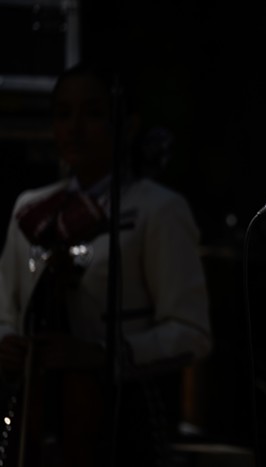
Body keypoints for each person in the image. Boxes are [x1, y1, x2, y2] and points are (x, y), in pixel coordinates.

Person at [0, 61, 212, 466]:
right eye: (63, 114)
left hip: (120, 422)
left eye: (93, 113)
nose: (74, 128)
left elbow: (192, 333)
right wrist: (7, 341)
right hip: (35, 412)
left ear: (127, 124)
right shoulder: (30, 209)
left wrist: (101, 354)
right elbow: (4, 307)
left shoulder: (158, 209)